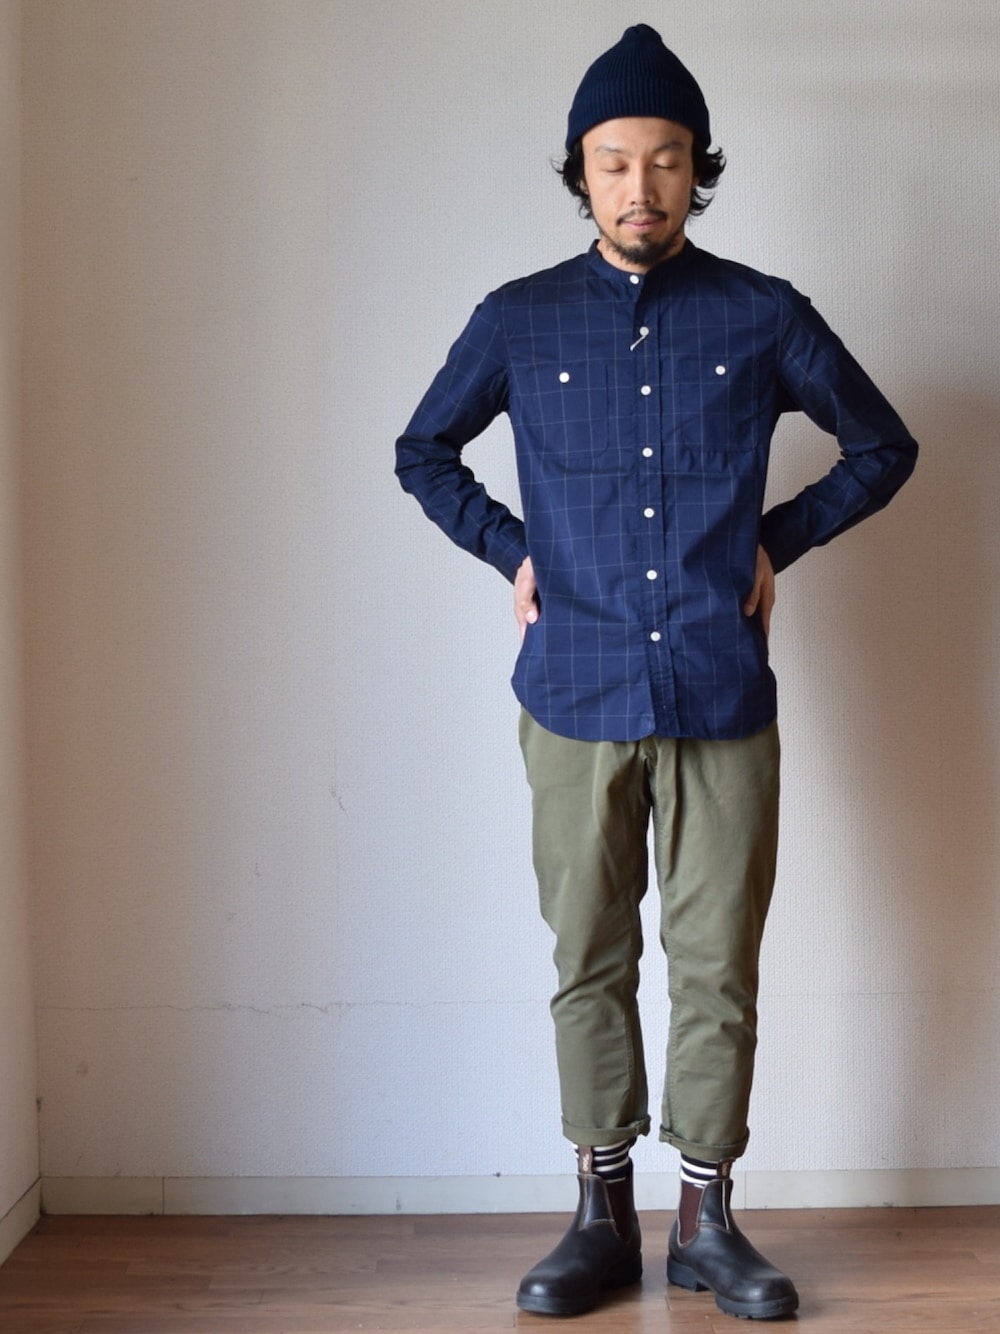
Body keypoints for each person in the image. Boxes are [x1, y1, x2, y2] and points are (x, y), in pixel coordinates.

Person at [395, 23, 917, 1322]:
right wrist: (511, 550)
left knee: (717, 963)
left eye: (668, 159)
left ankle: (706, 1223)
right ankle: (598, 1217)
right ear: (581, 171)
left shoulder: (762, 314)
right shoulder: (519, 319)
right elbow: (424, 451)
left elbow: (882, 445)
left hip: (718, 690)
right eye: (616, 162)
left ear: (699, 168)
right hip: (571, 693)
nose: (642, 187)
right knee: (587, 955)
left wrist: (774, 540)